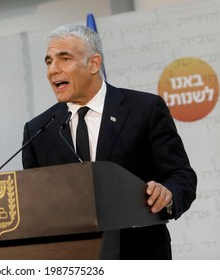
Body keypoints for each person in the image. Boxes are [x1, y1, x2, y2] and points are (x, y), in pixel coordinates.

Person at [21, 24, 197, 259]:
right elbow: (37, 201)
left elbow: (181, 175)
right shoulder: (38, 129)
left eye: (64, 59)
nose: (53, 70)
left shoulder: (144, 109)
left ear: (94, 64)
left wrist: (168, 194)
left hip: (139, 254)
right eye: (48, 61)